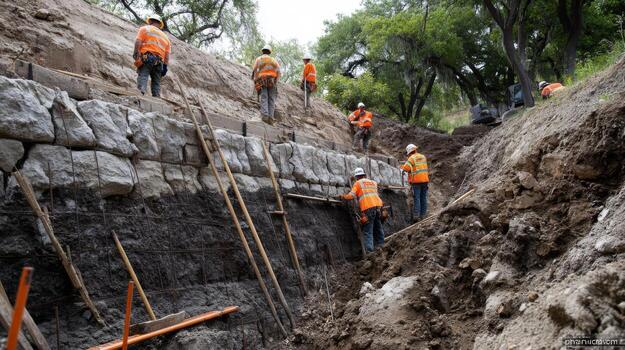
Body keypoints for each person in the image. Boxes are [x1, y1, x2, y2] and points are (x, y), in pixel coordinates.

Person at [338, 167, 385, 252]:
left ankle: (369, 250)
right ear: (364, 175)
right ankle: (381, 245)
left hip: (368, 207)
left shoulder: (358, 183)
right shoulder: (373, 182)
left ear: (356, 177)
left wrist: (343, 196)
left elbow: (351, 196)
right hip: (378, 206)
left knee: (368, 230)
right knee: (378, 227)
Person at [133, 15, 171, 98]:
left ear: (150, 21)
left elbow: (138, 41)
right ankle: (156, 97)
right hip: (159, 62)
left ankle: (141, 93)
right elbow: (167, 56)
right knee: (156, 82)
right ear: (160, 24)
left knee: (143, 75)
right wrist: (164, 67)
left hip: (147, 58)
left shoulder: (145, 29)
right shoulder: (166, 38)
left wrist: (136, 53)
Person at [252, 45, 281, 124]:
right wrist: (276, 81)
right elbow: (278, 71)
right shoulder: (274, 60)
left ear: (263, 51)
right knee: (271, 99)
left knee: (264, 97)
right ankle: (271, 118)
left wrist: (255, 80)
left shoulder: (259, 59)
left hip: (262, 81)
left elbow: (254, 70)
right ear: (269, 52)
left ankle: (265, 116)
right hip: (272, 81)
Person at [401, 144, 429, 223]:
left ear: (409, 152)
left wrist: (401, 166)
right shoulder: (423, 156)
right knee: (423, 198)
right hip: (425, 180)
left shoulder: (411, 158)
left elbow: (406, 168)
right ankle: (423, 215)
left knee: (417, 198)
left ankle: (416, 216)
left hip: (416, 181)